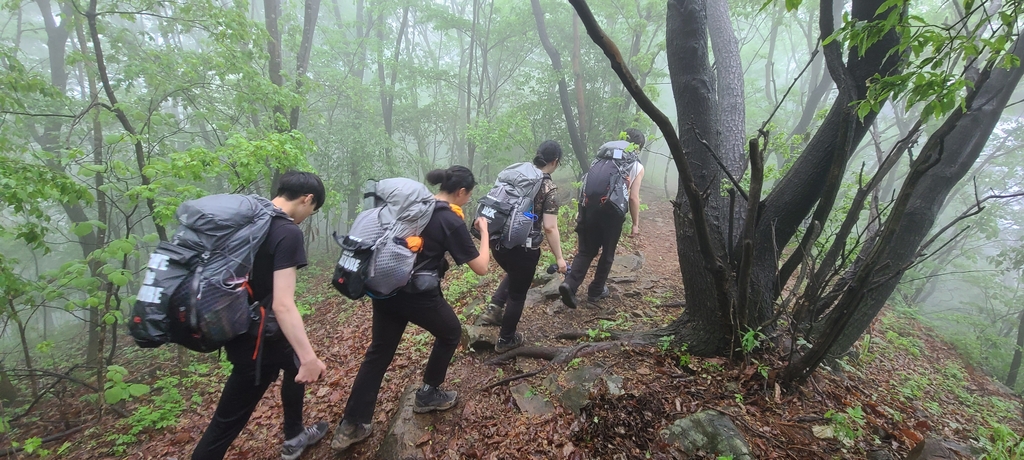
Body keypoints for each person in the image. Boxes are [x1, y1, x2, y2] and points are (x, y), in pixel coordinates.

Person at [331, 166, 491, 451]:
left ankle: (352, 424)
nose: (468, 199)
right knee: (451, 332)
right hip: (418, 296)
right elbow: (481, 267)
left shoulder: (412, 208)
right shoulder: (448, 220)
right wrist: (485, 232)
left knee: (378, 353)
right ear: (461, 192)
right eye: (469, 194)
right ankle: (428, 394)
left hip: (385, 290)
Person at [192, 171, 329, 460]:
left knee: (294, 368)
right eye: (313, 210)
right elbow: (283, 304)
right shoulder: (286, 231)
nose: (308, 216)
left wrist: (304, 358)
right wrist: (309, 358)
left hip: (241, 323)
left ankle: (294, 437)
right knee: (227, 422)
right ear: (308, 199)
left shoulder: (249, 222)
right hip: (257, 342)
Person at [477, 141, 567, 352]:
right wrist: (560, 258)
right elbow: (550, 228)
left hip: (496, 239)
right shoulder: (549, 188)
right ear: (554, 162)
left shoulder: (517, 174)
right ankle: (506, 339)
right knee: (518, 295)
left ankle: (494, 308)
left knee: (514, 273)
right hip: (523, 248)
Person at [559, 129, 646, 309]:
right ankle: (596, 290)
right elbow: (633, 197)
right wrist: (636, 224)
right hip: (612, 212)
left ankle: (570, 284)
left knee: (586, 251)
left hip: (589, 207)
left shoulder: (603, 157)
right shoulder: (636, 165)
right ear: (639, 147)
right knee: (607, 253)